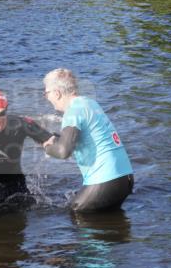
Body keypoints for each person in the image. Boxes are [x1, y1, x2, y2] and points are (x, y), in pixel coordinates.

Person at [42, 69, 134, 213]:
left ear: (57, 93)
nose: (46, 97)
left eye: (46, 93)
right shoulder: (90, 103)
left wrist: (47, 147)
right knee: (110, 222)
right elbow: (86, 139)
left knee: (76, 213)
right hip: (125, 178)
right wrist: (59, 139)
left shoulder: (73, 112)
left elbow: (63, 152)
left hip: (106, 181)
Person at [0, 89, 54, 207]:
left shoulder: (19, 124)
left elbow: (49, 139)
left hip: (15, 183)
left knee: (21, 219)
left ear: (6, 110)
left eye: (2, 113)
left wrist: (60, 146)